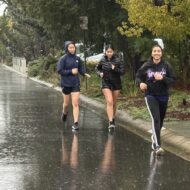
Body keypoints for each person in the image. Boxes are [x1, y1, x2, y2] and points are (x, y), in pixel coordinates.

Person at [136, 44, 175, 155]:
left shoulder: (166, 66)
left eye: (158, 51)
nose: (157, 53)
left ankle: (154, 136)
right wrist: (140, 83)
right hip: (150, 95)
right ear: (152, 53)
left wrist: (163, 78)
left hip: (163, 96)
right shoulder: (146, 65)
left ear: (161, 53)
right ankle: (157, 146)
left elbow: (173, 81)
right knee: (156, 119)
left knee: (160, 121)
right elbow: (138, 76)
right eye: (154, 51)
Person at [57, 41, 90, 130]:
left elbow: (80, 69)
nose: (72, 49)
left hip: (75, 83)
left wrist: (84, 74)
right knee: (66, 104)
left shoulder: (77, 59)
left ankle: (76, 123)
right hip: (66, 83)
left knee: (75, 103)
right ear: (67, 48)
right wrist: (70, 71)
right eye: (70, 47)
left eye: (73, 47)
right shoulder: (63, 59)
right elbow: (59, 71)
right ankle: (64, 113)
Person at [95, 45, 125, 129]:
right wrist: (99, 73)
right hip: (105, 82)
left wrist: (114, 68)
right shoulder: (102, 59)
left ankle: (113, 118)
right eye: (107, 51)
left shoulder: (118, 60)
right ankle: (111, 122)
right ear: (105, 52)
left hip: (116, 83)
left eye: (110, 51)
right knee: (110, 101)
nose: (109, 53)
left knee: (114, 103)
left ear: (113, 52)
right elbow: (97, 68)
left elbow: (122, 72)